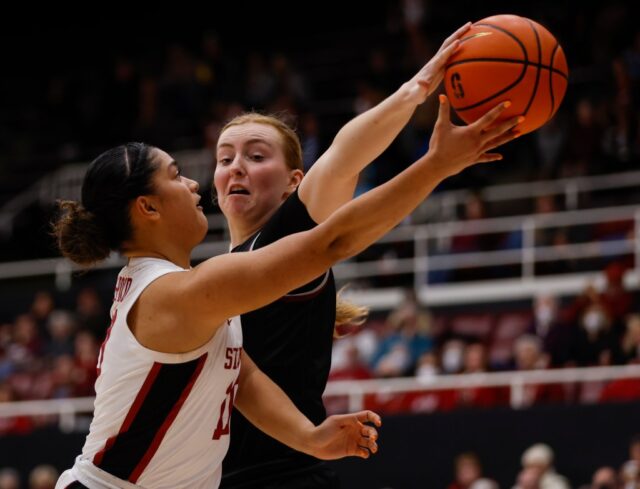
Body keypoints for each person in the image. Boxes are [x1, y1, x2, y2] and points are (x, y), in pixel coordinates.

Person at [52, 88, 519, 488]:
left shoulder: (196, 284)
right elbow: (333, 239)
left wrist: (307, 436)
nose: (195, 182)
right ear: (148, 208)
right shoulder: (188, 289)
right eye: (178, 175)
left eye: (255, 156)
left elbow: (244, 377)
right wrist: (436, 165)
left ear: (294, 182)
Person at [215, 23, 500, 488]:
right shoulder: (218, 271)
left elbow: (344, 156)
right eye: (225, 158)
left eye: (256, 155)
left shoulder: (282, 242)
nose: (236, 168)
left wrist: (417, 89)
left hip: (281, 478)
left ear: (294, 181)